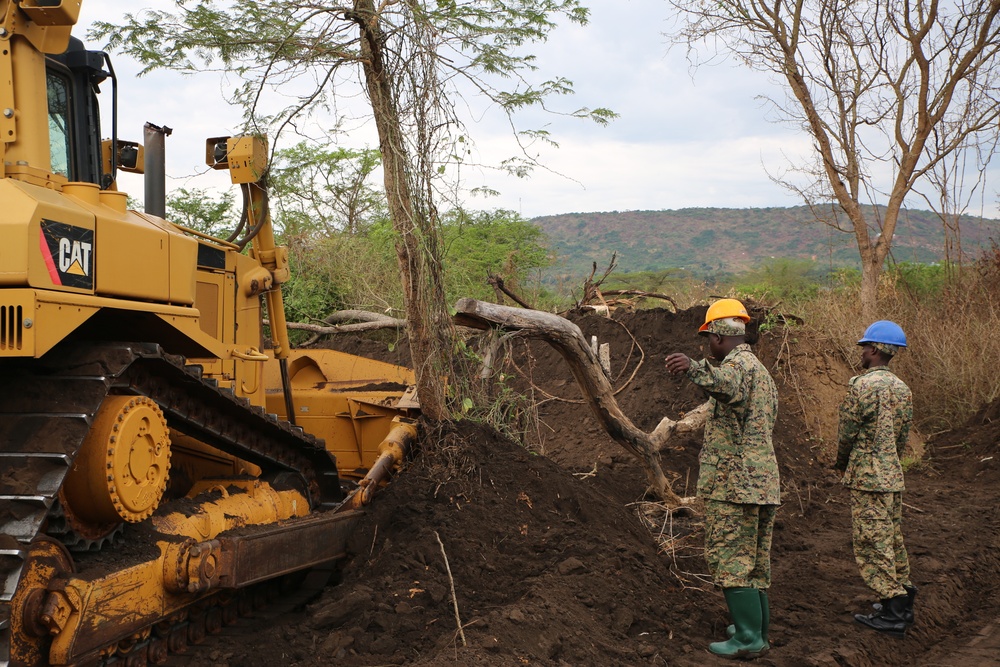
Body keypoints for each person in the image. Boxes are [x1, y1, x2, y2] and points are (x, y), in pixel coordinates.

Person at [665, 298, 779, 659]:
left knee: (730, 560)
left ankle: (746, 640)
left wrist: (693, 368)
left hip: (734, 486)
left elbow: (726, 385)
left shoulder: (737, 368)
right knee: (755, 562)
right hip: (762, 483)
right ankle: (756, 630)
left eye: (707, 339)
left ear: (717, 338)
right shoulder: (762, 372)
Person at [835, 320, 916, 638]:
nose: (862, 351)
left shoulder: (861, 386)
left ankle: (893, 612)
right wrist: (890, 462)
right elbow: (901, 437)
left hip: (868, 479)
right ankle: (904, 600)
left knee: (872, 544)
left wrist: (841, 463)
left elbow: (847, 432)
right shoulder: (903, 389)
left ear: (873, 350)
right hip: (892, 476)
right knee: (893, 541)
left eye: (864, 347)